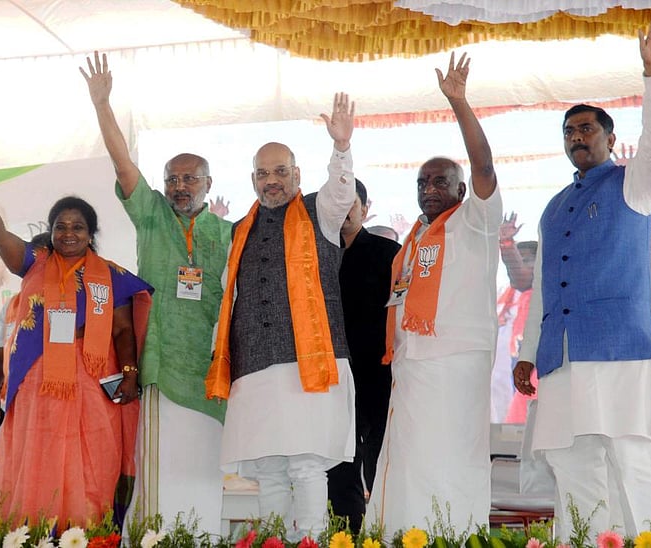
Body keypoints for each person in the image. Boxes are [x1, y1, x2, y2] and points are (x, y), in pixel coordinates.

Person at [513, 10, 651, 539]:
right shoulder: (553, 207)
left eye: (587, 129)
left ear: (610, 139)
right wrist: (525, 352)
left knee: (634, 462)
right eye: (569, 131)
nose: (576, 137)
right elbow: (542, 285)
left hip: (622, 352)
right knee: (573, 467)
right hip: (563, 356)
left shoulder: (632, 186)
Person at [0, 150, 153, 528]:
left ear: (91, 234)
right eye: (60, 226)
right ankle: (30, 532)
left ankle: (85, 532)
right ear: (50, 232)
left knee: (91, 458)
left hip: (93, 383)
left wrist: (129, 372)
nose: (68, 233)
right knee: (39, 455)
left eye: (77, 227)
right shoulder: (34, 262)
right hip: (38, 381)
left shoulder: (112, 276)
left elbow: (124, 329)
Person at [81, 51, 232, 532]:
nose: (179, 186)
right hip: (163, 371)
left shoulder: (230, 234)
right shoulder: (150, 218)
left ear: (209, 184)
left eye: (190, 178)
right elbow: (123, 162)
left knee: (204, 476)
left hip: (210, 376)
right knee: (159, 477)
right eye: (172, 178)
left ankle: (202, 540)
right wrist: (102, 104)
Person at [206, 92, 357, 541]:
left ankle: (309, 542)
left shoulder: (320, 214)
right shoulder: (239, 231)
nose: (272, 181)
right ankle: (274, 541)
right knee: (269, 471)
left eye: (280, 172)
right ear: (253, 178)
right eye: (263, 173)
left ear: (297, 175)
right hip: (254, 367)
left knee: (308, 466)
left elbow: (341, 191)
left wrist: (342, 147)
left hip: (309, 363)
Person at [367, 52, 502, 536]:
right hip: (411, 363)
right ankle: (403, 533)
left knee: (451, 456)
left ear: (462, 189)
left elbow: (484, 164)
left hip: (456, 360)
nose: (429, 188)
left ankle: (455, 534)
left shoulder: (474, 222)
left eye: (440, 180)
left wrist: (459, 104)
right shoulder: (413, 241)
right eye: (422, 182)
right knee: (409, 458)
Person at [327, 179, 400, 532]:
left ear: (365, 208)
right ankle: (347, 535)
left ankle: (387, 534)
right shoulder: (315, 255)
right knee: (339, 464)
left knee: (379, 459)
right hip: (333, 376)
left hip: (378, 375)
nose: (342, 212)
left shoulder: (390, 254)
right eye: (334, 204)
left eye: (350, 204)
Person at [493, 211, 537, 423]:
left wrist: (507, 243)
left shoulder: (538, 293)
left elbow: (519, 274)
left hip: (535, 373)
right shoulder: (503, 298)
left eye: (527, 260)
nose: (521, 265)